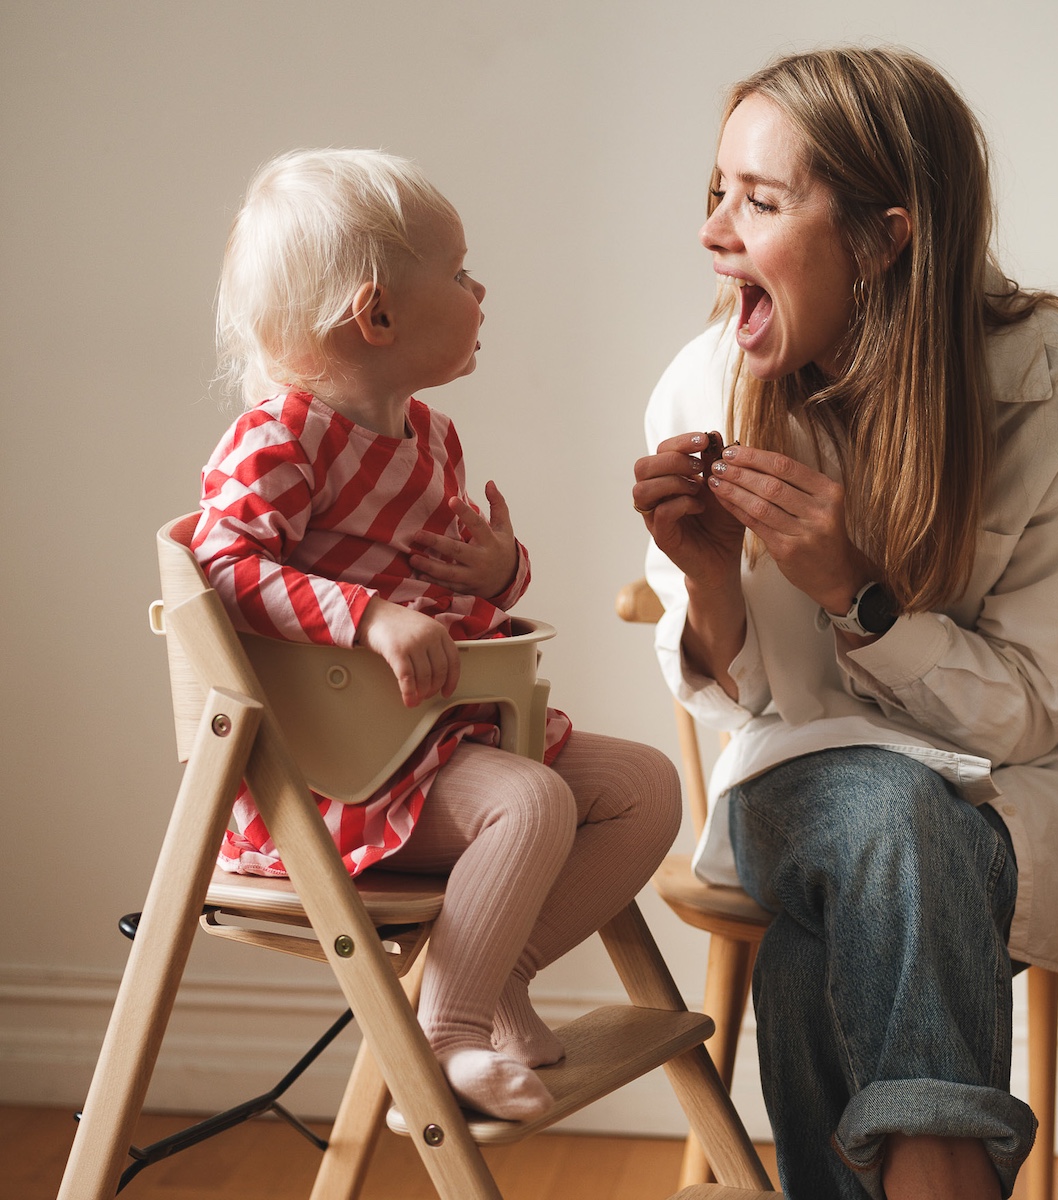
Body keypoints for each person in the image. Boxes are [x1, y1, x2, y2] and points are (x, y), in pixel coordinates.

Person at [632, 48, 1058, 1200]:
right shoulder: (702, 382)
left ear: (885, 238)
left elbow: (1024, 717)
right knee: (881, 814)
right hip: (807, 774)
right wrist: (710, 580)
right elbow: (742, 703)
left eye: (761, 202)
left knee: (857, 884)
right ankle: (941, 1170)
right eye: (714, 191)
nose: (715, 232)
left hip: (1038, 788)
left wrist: (856, 597)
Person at [193, 148, 680, 1123]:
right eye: (459, 274)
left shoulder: (432, 439)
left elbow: (457, 595)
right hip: (333, 774)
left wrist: (498, 571)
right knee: (532, 804)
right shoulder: (277, 441)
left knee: (645, 789)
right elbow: (221, 566)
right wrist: (369, 617)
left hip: (439, 743)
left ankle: (495, 975)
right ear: (376, 315)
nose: (481, 289)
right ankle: (447, 1036)